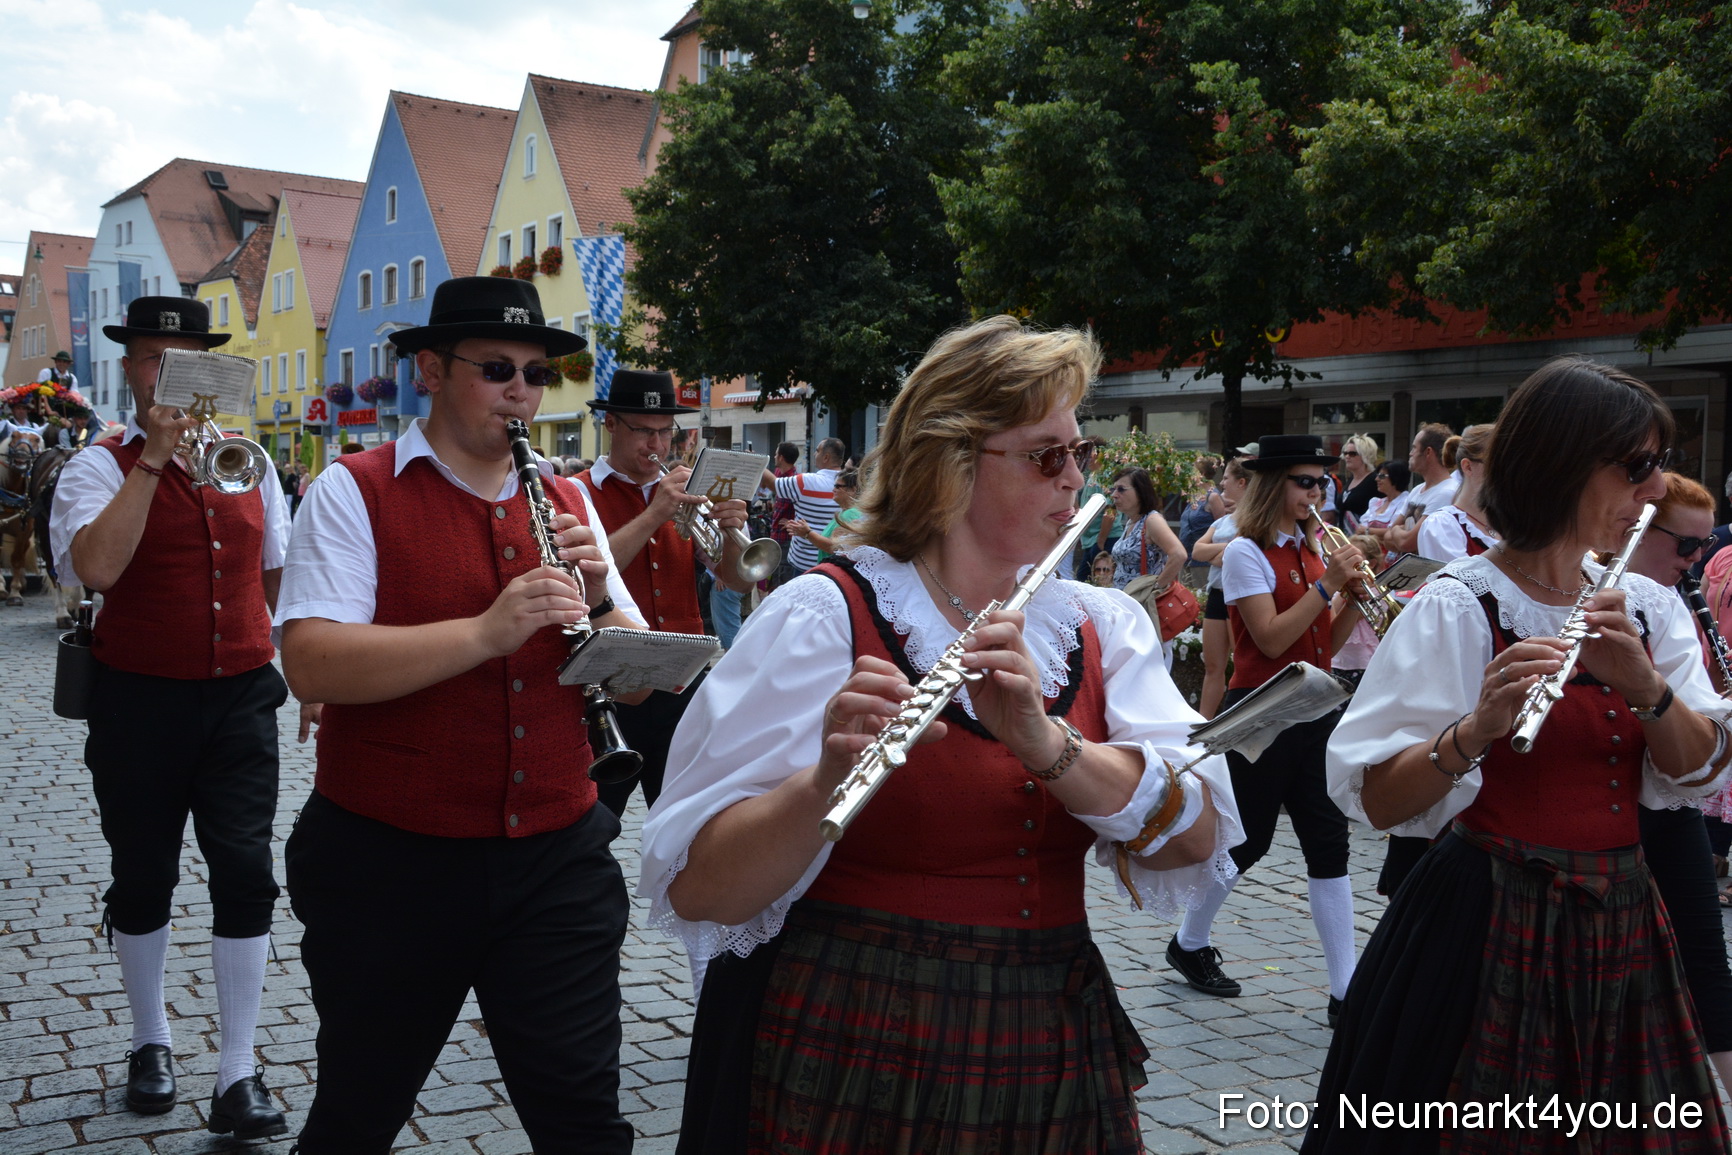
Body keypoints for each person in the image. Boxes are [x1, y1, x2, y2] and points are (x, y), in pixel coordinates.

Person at [641, 315, 1241, 1153]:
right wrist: (823, 783)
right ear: (953, 463)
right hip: (854, 1034)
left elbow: (1199, 836)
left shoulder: (1101, 625)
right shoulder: (825, 616)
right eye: (1045, 455)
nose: (1074, 479)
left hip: (1043, 1032)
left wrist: (1047, 745)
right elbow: (699, 890)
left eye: (1081, 453)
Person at [1311, 357, 1732, 1152]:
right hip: (1484, 919)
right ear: (1566, 462)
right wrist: (1473, 731)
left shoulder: (1645, 605)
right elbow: (1375, 799)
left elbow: (1699, 766)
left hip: (1620, 916)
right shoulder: (1459, 603)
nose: (1655, 491)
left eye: (1659, 466)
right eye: (1638, 467)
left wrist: (1645, 686)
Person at [276, 276, 645, 1154]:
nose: (522, 389)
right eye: (497, 368)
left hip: (556, 856)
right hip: (391, 860)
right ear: (432, 370)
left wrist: (598, 602)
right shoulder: (352, 489)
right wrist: (485, 631)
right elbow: (312, 661)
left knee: (584, 1121)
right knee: (360, 1110)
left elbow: (629, 673)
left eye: (537, 373)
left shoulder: (566, 499)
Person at [47, 297, 297, 1139]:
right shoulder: (95, 466)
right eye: (158, 361)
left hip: (238, 697)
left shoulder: (249, 461)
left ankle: (239, 1068)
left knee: (244, 869)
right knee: (143, 872)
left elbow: (273, 578)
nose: (172, 378)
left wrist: (283, 667)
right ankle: (151, 1040)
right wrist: (151, 459)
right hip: (138, 699)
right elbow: (96, 568)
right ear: (130, 369)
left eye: (190, 363)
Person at [1166, 434, 1365, 1022]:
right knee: (1247, 840)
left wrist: (1351, 593)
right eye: (1307, 481)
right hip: (1263, 706)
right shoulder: (1246, 552)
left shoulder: (1309, 550)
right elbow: (1273, 638)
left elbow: (1323, 639)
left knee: (1329, 841)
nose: (1318, 492)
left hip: (1316, 704)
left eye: (1323, 482)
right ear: (1277, 485)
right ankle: (1189, 942)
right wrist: (1330, 584)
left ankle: (1345, 992)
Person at [575, 369, 751, 816]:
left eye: (664, 432)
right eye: (643, 431)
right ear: (610, 424)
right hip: (609, 686)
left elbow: (737, 580)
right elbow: (585, 575)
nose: (656, 445)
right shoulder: (575, 493)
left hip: (682, 684)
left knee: (685, 821)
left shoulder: (687, 494)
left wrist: (731, 533)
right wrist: (655, 513)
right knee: (596, 820)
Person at [1619, 471, 1732, 1098]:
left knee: (1704, 956)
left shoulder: (1667, 604)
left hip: (1669, 805)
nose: (1694, 561)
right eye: (1684, 547)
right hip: (1604, 812)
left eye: (1703, 547)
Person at [1191, 458, 1250, 718]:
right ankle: (1203, 724)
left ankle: (1237, 720)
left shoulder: (1253, 519)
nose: (1221, 483)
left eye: (1226, 477)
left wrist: (1215, 554)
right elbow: (1196, 551)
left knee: (1241, 664)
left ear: (1242, 482)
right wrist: (1224, 551)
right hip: (1217, 593)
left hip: (1239, 598)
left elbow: (1221, 555)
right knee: (1213, 666)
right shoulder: (1223, 521)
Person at [761, 437, 845, 573]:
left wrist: (756, 462)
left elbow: (774, 484)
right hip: (832, 564)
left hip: (803, 563)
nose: (814, 454)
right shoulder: (850, 485)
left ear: (826, 457)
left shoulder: (806, 482)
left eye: (817, 451)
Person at [1385, 423, 1456, 553]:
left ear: (1428, 452)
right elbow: (1387, 539)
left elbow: (1407, 543)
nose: (1410, 453)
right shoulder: (1417, 490)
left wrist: (1396, 530)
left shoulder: (1446, 492)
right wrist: (1403, 536)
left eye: (1414, 448)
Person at [785, 467, 862, 561]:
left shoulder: (850, 514)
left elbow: (834, 547)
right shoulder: (846, 512)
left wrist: (807, 533)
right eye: (834, 486)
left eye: (838, 486)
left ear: (852, 490)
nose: (833, 489)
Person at [1333, 434, 1380, 526]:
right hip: (1344, 538)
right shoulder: (1351, 480)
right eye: (1345, 453)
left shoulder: (1375, 481)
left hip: (1363, 537)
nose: (1347, 456)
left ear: (1365, 456)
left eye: (1352, 454)